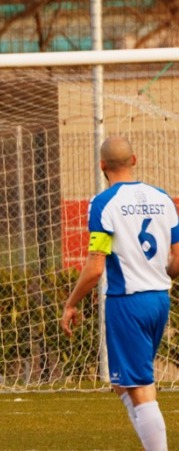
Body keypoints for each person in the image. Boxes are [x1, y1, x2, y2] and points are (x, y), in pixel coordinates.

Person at [61, 135, 179, 451]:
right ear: (134, 160)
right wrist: (158, 277)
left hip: (128, 303)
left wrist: (71, 303)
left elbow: (95, 267)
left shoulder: (103, 203)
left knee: (140, 387)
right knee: (123, 383)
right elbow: (178, 258)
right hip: (159, 300)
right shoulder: (163, 198)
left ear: (102, 165)